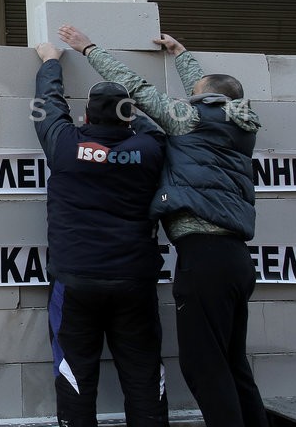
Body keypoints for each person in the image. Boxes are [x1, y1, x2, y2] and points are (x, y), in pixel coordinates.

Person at [57, 24, 268, 427]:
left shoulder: (187, 120)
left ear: (203, 99)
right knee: (234, 362)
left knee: (204, 368)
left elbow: (134, 87)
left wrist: (89, 48)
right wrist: (182, 54)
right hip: (237, 260)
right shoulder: (241, 124)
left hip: (203, 258)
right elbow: (210, 94)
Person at [33, 42, 169, 427]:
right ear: (128, 116)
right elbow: (150, 127)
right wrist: (129, 117)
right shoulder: (151, 147)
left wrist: (50, 62)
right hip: (134, 281)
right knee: (143, 375)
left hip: (76, 279)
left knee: (75, 375)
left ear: (85, 114)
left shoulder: (64, 143)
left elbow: (48, 104)